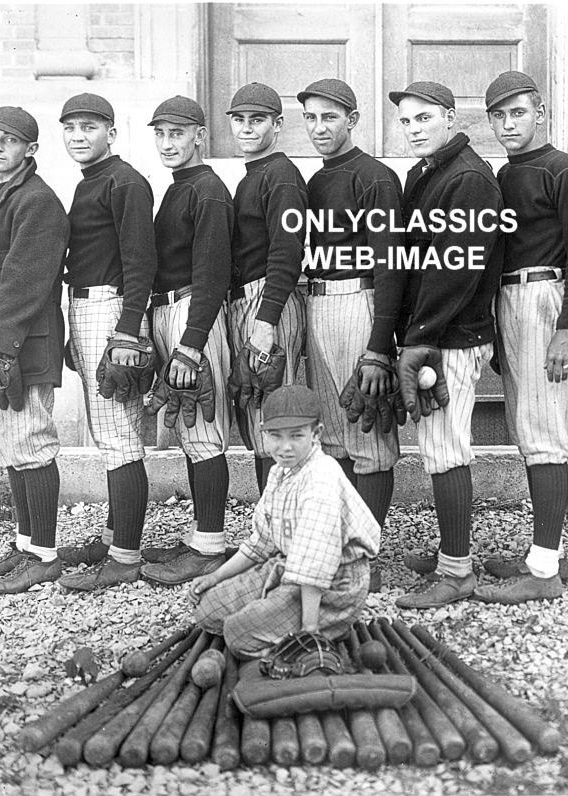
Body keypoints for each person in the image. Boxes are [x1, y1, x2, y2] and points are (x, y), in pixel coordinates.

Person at [472, 71, 568, 604]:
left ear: (540, 111)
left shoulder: (562, 169)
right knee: (529, 425)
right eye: (499, 116)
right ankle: (541, 552)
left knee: (547, 430)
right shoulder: (504, 173)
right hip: (510, 300)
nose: (508, 124)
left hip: (546, 295)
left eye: (518, 112)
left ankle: (545, 569)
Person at [388, 81, 506, 609]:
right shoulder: (427, 174)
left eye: (424, 118)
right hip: (432, 333)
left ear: (451, 117)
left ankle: (457, 570)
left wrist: (419, 338)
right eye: (407, 121)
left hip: (452, 335)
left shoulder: (469, 179)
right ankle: (449, 557)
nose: (414, 129)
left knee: (444, 446)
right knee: (438, 444)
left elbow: (454, 270)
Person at [298, 78, 404, 591]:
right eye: (312, 119)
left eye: (330, 118)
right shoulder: (317, 181)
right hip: (319, 301)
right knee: (337, 435)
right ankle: (343, 547)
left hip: (357, 301)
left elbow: (392, 267)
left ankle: (369, 553)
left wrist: (379, 346)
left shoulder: (375, 178)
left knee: (369, 433)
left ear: (353, 120)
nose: (320, 128)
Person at [188, 385, 379, 658]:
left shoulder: (321, 476)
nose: (285, 447)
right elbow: (260, 543)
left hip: (335, 585)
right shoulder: (279, 472)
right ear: (263, 432)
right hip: (289, 568)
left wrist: (309, 631)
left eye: (296, 435)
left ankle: (326, 629)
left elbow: (314, 562)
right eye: (275, 436)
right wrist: (215, 576)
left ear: (317, 434)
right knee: (208, 610)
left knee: (237, 635)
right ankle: (275, 611)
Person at [0, 106, 69, 594]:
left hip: (23, 344)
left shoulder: (37, 201)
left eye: (9, 139)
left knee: (31, 443)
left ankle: (45, 556)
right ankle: (26, 545)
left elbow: (24, 281)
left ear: (30, 148)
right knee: (11, 446)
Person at [56, 93, 158, 591]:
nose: (79, 135)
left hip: (111, 308)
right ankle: (118, 535)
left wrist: (127, 331)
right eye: (71, 127)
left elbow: (142, 263)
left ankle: (125, 556)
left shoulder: (125, 182)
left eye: (90, 127)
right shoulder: (91, 181)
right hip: (84, 306)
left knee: (120, 437)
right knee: (108, 433)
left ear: (111, 133)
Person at [139, 96, 235, 585]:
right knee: (188, 430)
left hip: (192, 314)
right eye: (160, 133)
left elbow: (214, 273)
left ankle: (212, 546)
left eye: (177, 133)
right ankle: (203, 536)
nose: (167, 143)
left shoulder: (208, 190)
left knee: (202, 431)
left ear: (200, 135)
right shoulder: (179, 187)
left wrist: (192, 344)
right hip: (169, 311)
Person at [225, 82, 308, 495]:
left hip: (268, 302)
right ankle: (274, 531)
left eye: (256, 120)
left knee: (279, 424)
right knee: (260, 424)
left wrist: (266, 321)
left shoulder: (281, 174)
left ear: (277, 124)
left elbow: (287, 253)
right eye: (239, 120)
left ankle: (288, 539)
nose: (246, 129)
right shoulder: (254, 174)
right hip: (249, 301)